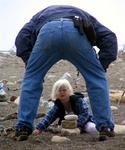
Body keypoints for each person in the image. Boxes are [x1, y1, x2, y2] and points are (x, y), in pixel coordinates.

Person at [14, 5, 118, 141]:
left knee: (31, 79)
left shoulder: (39, 16)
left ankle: (23, 127)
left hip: (47, 32)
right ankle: (105, 127)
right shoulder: (84, 14)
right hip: (75, 32)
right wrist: (101, 66)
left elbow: (21, 39)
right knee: (96, 80)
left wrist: (31, 65)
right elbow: (110, 37)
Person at [33, 79, 97, 136]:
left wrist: (75, 125)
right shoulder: (58, 105)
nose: (62, 92)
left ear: (69, 91)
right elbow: (49, 117)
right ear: (55, 93)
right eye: (59, 91)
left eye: (64, 90)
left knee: (92, 128)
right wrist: (38, 128)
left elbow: (84, 114)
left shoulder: (78, 100)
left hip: (84, 122)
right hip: (67, 125)